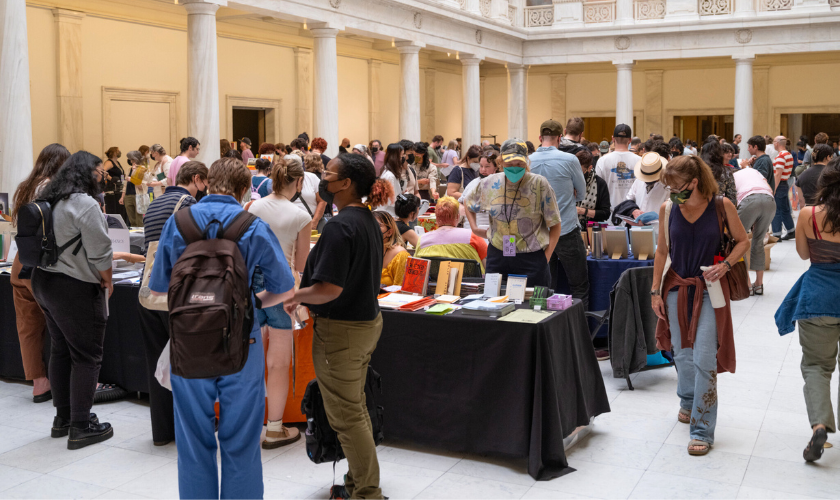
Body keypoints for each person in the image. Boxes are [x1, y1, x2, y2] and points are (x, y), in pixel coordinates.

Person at [149, 157, 295, 499]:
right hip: (242, 341)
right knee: (242, 440)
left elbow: (158, 289)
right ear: (246, 189)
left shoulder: (179, 222)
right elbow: (286, 288)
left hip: (188, 341)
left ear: (207, 183)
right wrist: (255, 303)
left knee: (193, 439)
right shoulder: (252, 225)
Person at [282, 153, 384, 499]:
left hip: (343, 331)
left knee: (346, 415)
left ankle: (367, 491)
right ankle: (359, 481)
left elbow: (330, 288)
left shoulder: (341, 227)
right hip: (364, 324)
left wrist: (296, 294)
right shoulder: (366, 220)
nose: (322, 179)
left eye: (328, 174)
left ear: (346, 184)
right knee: (354, 407)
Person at [652, 155, 749, 456]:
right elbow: (661, 251)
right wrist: (655, 290)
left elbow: (743, 240)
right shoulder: (668, 209)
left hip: (710, 289)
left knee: (704, 357)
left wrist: (728, 264)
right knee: (681, 353)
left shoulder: (722, 206)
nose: (673, 192)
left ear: (695, 182)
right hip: (676, 287)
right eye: (669, 186)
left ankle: (702, 431)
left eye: (678, 186)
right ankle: (686, 399)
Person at [30, 151, 115, 449]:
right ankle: (81, 425)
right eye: (100, 173)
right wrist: (108, 280)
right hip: (74, 287)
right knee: (87, 355)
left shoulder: (49, 196)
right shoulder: (84, 203)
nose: (102, 178)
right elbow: (101, 251)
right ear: (87, 173)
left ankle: (63, 419)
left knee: (62, 350)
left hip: (43, 281)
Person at [137, 161, 207, 446]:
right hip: (177, 291)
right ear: (198, 179)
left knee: (157, 364)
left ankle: (162, 433)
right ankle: (189, 431)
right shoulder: (187, 202)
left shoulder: (154, 203)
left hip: (148, 290)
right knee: (186, 364)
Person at [775, 157, 840, 463]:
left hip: (818, 299)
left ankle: (820, 425)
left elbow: (802, 254)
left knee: (816, 366)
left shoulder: (808, 214)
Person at [247, 157, 311, 449]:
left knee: (251, 359)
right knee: (278, 362)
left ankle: (246, 424)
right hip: (282, 290)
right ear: (298, 183)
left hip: (253, 288)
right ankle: (274, 428)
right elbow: (300, 264)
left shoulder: (254, 206)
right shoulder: (300, 216)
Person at [11, 144, 71, 403]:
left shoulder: (24, 186)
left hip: (20, 262)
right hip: (46, 264)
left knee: (28, 328)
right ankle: (71, 382)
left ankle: (39, 384)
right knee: (65, 325)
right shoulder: (54, 187)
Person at [465, 139, 561, 287]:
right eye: (509, 165)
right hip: (497, 255)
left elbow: (555, 224)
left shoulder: (539, 184)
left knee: (532, 306)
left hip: (532, 258)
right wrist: (475, 228)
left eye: (520, 164)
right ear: (500, 162)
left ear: (526, 163)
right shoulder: (488, 183)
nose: (514, 168)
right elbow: (468, 201)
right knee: (494, 303)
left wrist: (546, 257)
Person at [530, 119, 588, 306]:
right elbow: (582, 193)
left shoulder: (528, 161)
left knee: (543, 286)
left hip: (538, 232)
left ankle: (540, 329)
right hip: (566, 229)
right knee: (579, 286)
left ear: (540, 138)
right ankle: (579, 332)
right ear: (560, 138)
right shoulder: (570, 160)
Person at [733, 164, 775, 296]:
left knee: (739, 241)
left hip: (749, 200)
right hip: (769, 201)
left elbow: (731, 200)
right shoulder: (755, 172)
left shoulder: (733, 176)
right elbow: (770, 188)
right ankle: (758, 284)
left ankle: (747, 284)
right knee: (758, 241)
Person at [415, 196, 487, 271]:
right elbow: (487, 266)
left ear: (436, 218)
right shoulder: (473, 237)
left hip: (435, 282)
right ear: (458, 217)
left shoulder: (422, 241)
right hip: (469, 281)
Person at [596, 124, 639, 217]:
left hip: (610, 216)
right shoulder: (639, 161)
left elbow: (597, 190)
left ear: (613, 139)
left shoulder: (603, 161)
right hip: (633, 215)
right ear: (630, 140)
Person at [624, 152, 670, 224]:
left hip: (658, 230)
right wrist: (633, 210)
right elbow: (628, 199)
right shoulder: (638, 181)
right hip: (637, 229)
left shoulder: (668, 187)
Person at [287, 154, 327, 229]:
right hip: (289, 224)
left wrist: (314, 221)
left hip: (311, 222)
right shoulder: (282, 181)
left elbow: (322, 200)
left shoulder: (311, 178)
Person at [373, 210, 410, 287]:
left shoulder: (400, 255)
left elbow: (401, 289)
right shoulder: (365, 251)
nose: (372, 228)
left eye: (378, 225)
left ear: (390, 232)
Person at [575, 148, 611, 227]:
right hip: (572, 229)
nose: (577, 175)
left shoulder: (600, 183)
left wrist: (581, 211)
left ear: (590, 168)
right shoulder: (570, 181)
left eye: (581, 171)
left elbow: (605, 213)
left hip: (592, 230)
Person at [771, 135, 796, 240]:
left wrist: (774, 188)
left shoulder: (781, 156)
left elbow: (778, 174)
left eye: (774, 142)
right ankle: (791, 231)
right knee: (785, 209)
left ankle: (777, 234)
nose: (773, 144)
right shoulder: (788, 154)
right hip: (784, 183)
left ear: (777, 143)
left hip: (779, 184)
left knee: (776, 210)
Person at [119, 150, 151, 227]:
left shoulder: (143, 169)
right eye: (130, 159)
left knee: (139, 221)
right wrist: (122, 197)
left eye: (132, 159)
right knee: (131, 221)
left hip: (138, 196)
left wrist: (133, 176)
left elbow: (141, 185)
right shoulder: (129, 169)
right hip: (128, 195)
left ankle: (141, 238)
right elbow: (125, 184)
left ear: (136, 159)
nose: (131, 161)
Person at [701, 140, 737, 206]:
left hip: (698, 207)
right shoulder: (726, 171)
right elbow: (732, 197)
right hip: (716, 208)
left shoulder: (697, 170)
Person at [379, 143, 405, 216]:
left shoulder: (391, 173)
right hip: (389, 214)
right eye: (401, 156)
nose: (402, 158)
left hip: (391, 213)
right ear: (395, 157)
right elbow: (389, 200)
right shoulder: (389, 175)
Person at [102, 147, 125, 217]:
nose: (119, 152)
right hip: (112, 191)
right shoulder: (109, 162)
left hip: (119, 189)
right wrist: (111, 179)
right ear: (114, 153)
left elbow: (121, 174)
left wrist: (123, 181)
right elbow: (103, 171)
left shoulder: (117, 162)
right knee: (114, 211)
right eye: (118, 150)